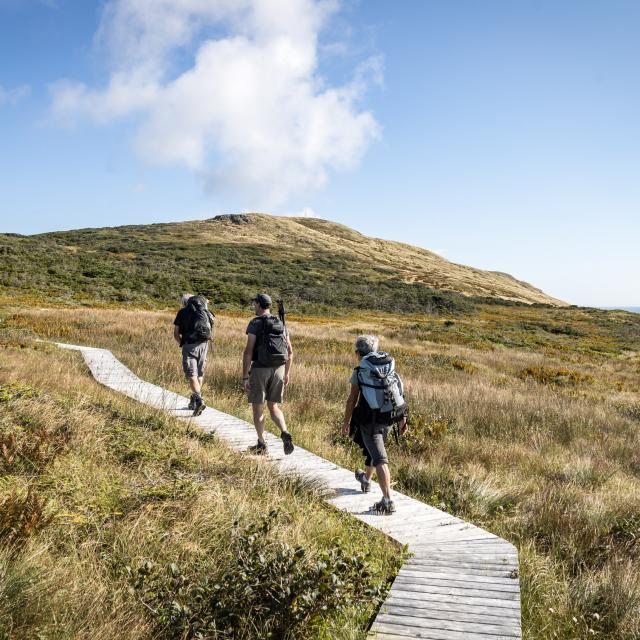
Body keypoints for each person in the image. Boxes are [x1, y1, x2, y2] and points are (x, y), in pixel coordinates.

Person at [342, 335, 407, 515]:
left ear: (358, 352)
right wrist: (403, 419)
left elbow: (351, 400)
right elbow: (399, 393)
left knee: (380, 459)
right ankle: (366, 480)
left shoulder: (360, 371)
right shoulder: (387, 367)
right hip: (387, 417)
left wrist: (346, 423)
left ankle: (387, 501)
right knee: (374, 450)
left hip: (369, 420)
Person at [242, 293, 294, 455]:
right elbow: (290, 352)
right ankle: (284, 432)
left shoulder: (255, 323)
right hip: (279, 368)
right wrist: (286, 373)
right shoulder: (280, 323)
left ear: (258, 304)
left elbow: (248, 352)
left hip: (260, 368)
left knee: (258, 409)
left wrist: (245, 376)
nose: (254, 306)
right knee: (273, 406)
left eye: (255, 303)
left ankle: (262, 444)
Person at [173, 293, 214, 416]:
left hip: (189, 345)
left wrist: (183, 344)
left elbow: (176, 334)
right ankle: (195, 400)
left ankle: (199, 399)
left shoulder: (182, 312)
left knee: (191, 374)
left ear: (185, 303)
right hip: (204, 344)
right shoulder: (205, 312)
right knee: (199, 373)